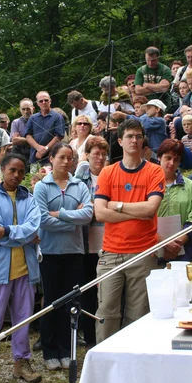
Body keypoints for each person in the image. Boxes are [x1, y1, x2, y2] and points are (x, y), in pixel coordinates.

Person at [94, 119, 165, 343]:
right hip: (111, 253)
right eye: (129, 136)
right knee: (106, 313)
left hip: (143, 253)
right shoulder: (108, 172)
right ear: (120, 140)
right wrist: (138, 211)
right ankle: (105, 361)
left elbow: (151, 208)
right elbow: (100, 214)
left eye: (138, 136)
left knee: (138, 315)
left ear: (143, 140)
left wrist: (118, 205)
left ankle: (133, 363)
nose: (134, 140)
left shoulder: (154, 171)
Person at [0, 153, 42, 383]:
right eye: (12, 170)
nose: (16, 175)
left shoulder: (29, 198)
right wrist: (22, 235)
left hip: (26, 269)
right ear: (3, 170)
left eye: (21, 171)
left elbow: (34, 226)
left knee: (23, 318)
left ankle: (21, 362)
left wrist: (7, 232)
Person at [33, 143, 93, 370]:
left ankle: (67, 350)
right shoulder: (41, 186)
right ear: (51, 159)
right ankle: (50, 352)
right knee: (51, 302)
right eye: (62, 157)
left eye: (70, 158)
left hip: (74, 252)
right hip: (49, 253)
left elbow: (87, 214)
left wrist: (60, 214)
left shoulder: (79, 185)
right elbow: (41, 219)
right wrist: (71, 221)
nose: (67, 162)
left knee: (71, 303)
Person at [74, 136, 109, 347]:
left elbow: (91, 209)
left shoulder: (111, 175)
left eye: (104, 154)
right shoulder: (79, 180)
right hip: (85, 242)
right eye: (96, 153)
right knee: (87, 290)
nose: (101, 158)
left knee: (107, 290)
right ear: (87, 155)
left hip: (108, 241)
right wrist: (96, 209)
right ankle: (90, 337)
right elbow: (77, 207)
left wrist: (90, 209)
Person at [156, 139, 192, 262]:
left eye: (176, 160)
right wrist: (162, 243)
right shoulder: (147, 184)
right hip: (152, 250)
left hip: (183, 251)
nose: (171, 163)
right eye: (168, 158)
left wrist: (179, 241)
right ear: (159, 157)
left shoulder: (190, 186)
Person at [25, 91, 65, 167]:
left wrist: (46, 149)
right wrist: (38, 147)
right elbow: (27, 135)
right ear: (37, 103)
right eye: (41, 101)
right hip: (35, 157)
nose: (44, 102)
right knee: (34, 178)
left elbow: (59, 136)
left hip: (52, 158)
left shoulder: (57, 117)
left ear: (50, 101)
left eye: (46, 100)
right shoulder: (33, 118)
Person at [10, 98, 34, 163]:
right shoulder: (16, 123)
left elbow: (41, 140)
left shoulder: (38, 121)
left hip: (34, 155)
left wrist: (21, 139)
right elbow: (15, 140)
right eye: (23, 109)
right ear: (20, 110)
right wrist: (32, 140)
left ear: (33, 109)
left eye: (28, 109)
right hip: (19, 155)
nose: (26, 112)